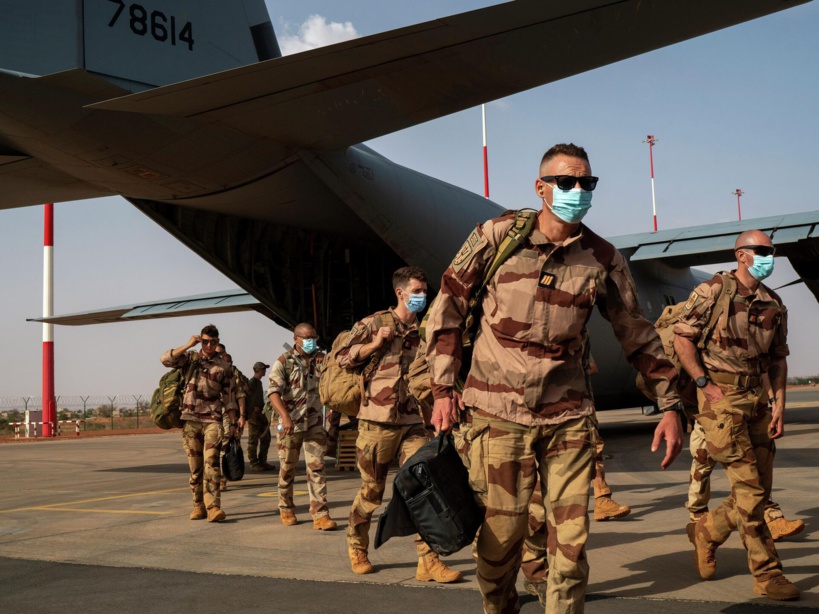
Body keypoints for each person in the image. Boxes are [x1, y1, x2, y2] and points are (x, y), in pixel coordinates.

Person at [425, 143, 683, 613]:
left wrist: (669, 404)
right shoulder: (496, 237)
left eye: (587, 183)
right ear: (541, 188)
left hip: (568, 419)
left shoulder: (602, 257)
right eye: (566, 182)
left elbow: (638, 334)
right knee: (502, 540)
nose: (577, 190)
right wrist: (443, 389)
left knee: (569, 547)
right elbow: (447, 308)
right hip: (497, 415)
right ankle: (499, 605)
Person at [674, 232, 799, 600]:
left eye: (771, 251)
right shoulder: (712, 292)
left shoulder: (773, 302)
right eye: (761, 251)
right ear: (741, 255)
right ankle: (767, 575)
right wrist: (703, 383)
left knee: (757, 492)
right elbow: (683, 337)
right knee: (749, 491)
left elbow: (777, 358)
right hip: (720, 401)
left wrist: (779, 404)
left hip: (758, 400)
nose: (768, 256)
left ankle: (707, 532)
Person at [338, 266, 462, 583]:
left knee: (422, 486)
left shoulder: (425, 330)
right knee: (372, 491)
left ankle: (428, 561)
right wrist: (373, 345)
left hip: (413, 421)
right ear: (400, 292)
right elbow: (342, 356)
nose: (422, 296)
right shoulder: (374, 323)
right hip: (376, 422)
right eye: (417, 291)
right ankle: (357, 546)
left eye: (424, 291)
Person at [161, 324, 237, 522]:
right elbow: (166, 359)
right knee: (196, 468)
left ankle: (213, 507)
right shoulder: (190, 360)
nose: (209, 345)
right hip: (191, 419)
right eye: (205, 341)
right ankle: (198, 505)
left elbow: (229, 398)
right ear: (201, 341)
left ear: (217, 342)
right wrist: (188, 344)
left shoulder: (224, 367)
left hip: (213, 419)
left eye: (212, 342)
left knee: (212, 464)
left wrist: (235, 423)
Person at [268, 323, 337, 531]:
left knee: (317, 467)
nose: (311, 341)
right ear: (296, 339)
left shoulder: (322, 361)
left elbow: (334, 385)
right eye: (307, 338)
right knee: (287, 468)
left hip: (314, 423)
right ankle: (286, 507)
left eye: (314, 337)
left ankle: (320, 514)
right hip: (290, 424)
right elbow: (273, 393)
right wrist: (285, 417)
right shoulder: (283, 362)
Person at [216, 345, 248, 492]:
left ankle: (221, 479)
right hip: (211, 414)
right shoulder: (208, 369)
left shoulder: (233, 372)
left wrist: (241, 416)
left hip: (228, 414)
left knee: (225, 444)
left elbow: (240, 395)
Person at [247, 361, 275, 472]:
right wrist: (252, 408)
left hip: (260, 414)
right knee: (253, 440)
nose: (265, 371)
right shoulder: (252, 382)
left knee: (266, 438)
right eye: (263, 369)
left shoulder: (258, 382)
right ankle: (254, 463)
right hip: (253, 415)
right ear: (257, 370)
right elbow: (246, 397)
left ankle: (262, 461)